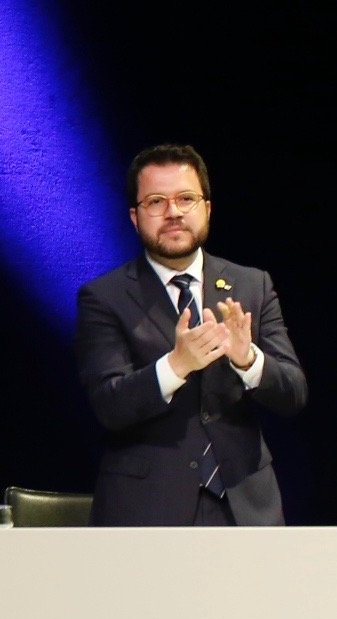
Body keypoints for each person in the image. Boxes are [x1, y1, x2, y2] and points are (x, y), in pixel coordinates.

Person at [74, 144, 308, 526]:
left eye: (186, 198)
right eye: (156, 201)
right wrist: (175, 366)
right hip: (147, 510)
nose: (174, 212)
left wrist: (248, 361)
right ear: (135, 217)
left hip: (245, 507)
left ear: (207, 208)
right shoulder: (104, 298)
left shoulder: (252, 285)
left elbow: (294, 394)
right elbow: (108, 407)